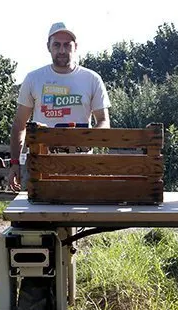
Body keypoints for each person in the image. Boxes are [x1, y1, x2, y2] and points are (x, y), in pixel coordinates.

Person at [8, 22, 111, 191]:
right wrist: (14, 163)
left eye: (67, 45)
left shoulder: (92, 79)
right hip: (40, 162)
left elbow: (103, 121)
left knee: (79, 215)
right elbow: (19, 125)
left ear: (75, 47)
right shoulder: (33, 79)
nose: (62, 50)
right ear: (48, 46)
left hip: (81, 163)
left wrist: (86, 139)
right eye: (56, 44)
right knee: (32, 215)